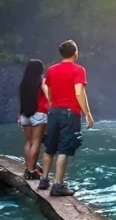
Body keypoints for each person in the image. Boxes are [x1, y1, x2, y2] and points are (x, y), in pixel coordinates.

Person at [39, 40, 94, 196]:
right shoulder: (79, 70)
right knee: (64, 148)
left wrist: (53, 103)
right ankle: (58, 185)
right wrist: (87, 113)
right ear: (75, 52)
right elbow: (79, 93)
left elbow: (48, 90)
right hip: (70, 114)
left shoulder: (51, 70)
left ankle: (43, 180)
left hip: (54, 112)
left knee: (50, 146)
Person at [17, 59, 49, 180]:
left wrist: (20, 116)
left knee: (29, 142)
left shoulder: (24, 83)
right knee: (36, 142)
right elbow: (48, 94)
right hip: (39, 114)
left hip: (25, 115)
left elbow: (21, 101)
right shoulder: (41, 81)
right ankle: (32, 171)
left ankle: (28, 168)